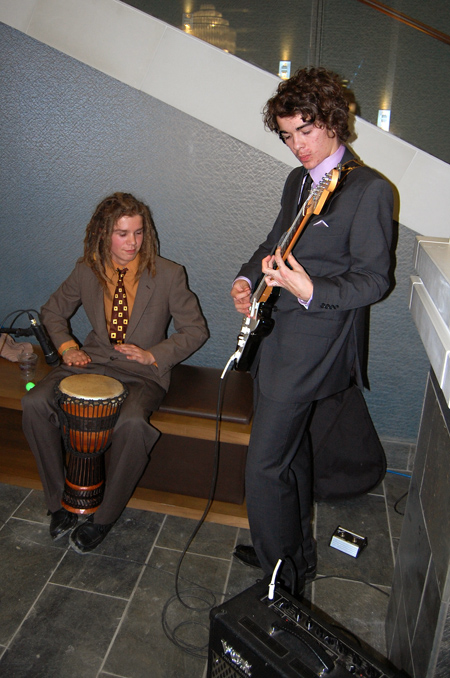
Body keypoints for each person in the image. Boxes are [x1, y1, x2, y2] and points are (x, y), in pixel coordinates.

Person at [231, 67, 393, 596]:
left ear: (333, 122)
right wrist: (247, 277)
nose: (296, 145)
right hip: (278, 332)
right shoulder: (299, 180)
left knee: (263, 465)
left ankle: (281, 584)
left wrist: (309, 289)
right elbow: (275, 241)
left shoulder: (369, 190)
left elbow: (374, 281)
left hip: (316, 341)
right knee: (290, 453)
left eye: (305, 130)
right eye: (287, 134)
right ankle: (292, 556)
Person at [22, 192, 208, 553]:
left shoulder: (169, 274)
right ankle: (58, 501)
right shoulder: (86, 269)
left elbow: (196, 330)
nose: (132, 243)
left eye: (138, 233)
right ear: (103, 234)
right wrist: (69, 349)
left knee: (133, 424)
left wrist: (152, 354)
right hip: (90, 360)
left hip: (143, 373)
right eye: (123, 234)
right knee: (34, 402)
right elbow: (52, 312)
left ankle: (105, 516)